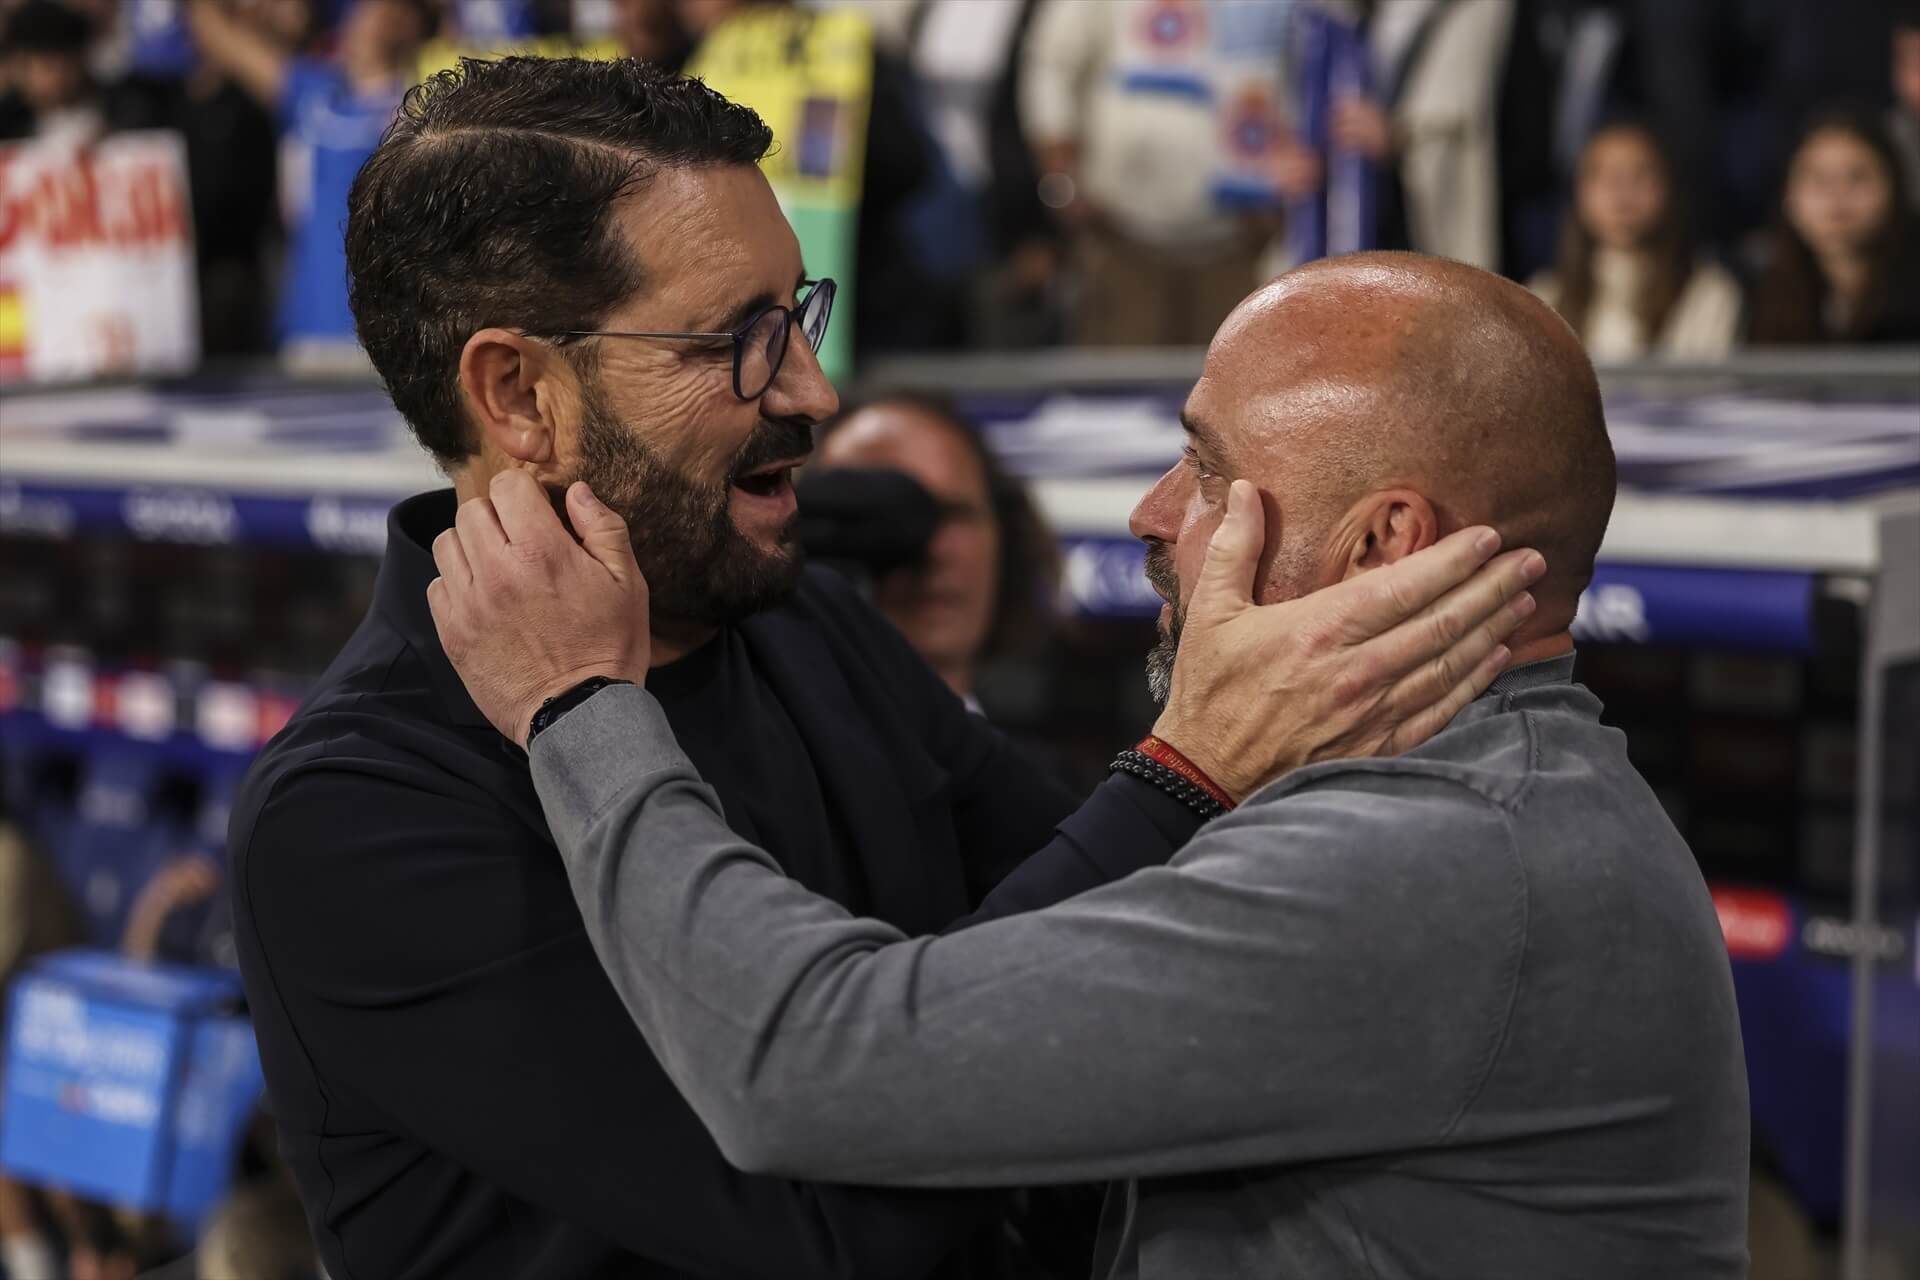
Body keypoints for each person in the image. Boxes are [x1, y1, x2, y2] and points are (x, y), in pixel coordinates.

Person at [227, 56, 1537, 1279]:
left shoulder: (807, 624)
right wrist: (1194, 765)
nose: (813, 391)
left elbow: (1119, 978)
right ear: (516, 396)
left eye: (798, 314)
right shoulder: (358, 816)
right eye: (738, 340)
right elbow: (841, 1220)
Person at [429, 251, 1753, 1279]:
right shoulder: (1466, 806)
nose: (1154, 515)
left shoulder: (1441, 856)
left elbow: (802, 1066)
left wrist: (581, 704)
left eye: (1205, 466)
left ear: (1379, 542)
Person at [1018, 0, 1292, 346]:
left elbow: (1323, 63)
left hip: (1248, 248)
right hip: (1122, 242)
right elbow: (1053, 63)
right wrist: (1061, 180)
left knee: (1236, 391)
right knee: (1121, 392)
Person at [186, 0, 432, 353]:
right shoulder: (314, 93)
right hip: (309, 329)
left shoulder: (428, 104)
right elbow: (218, 35)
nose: (363, 18)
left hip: (395, 339)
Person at [812, 396, 1056, 707]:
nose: (934, 550)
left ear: (1005, 537)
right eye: (885, 514)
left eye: (955, 514)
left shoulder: (1022, 756)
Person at [1317, 0, 1514, 270]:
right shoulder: (1345, 19)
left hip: (1439, 226)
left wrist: (1399, 136)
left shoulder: (1483, 11)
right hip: (1358, 223)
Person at [1530, 122, 1742, 360]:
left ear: (1668, 187)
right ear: (1579, 192)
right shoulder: (1544, 297)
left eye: (1640, 174)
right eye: (1604, 174)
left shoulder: (1710, 294)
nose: (1622, 190)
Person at [1748, 111, 1920, 345]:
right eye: (1819, 179)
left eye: (1857, 177)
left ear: (1894, 189)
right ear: (1788, 195)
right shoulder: (1754, 291)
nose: (1836, 196)